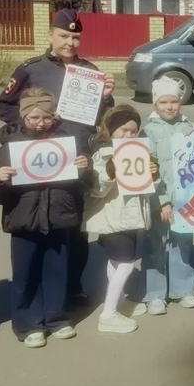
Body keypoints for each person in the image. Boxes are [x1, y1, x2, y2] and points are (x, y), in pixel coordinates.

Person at [0, 8, 116, 310]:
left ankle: (72, 289)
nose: (70, 43)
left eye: (76, 37)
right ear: (51, 35)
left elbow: (103, 118)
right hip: (38, 158)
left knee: (75, 229)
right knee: (39, 229)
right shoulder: (31, 68)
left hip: (75, 159)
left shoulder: (89, 71)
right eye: (64, 36)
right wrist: (26, 128)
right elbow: (3, 105)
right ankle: (37, 295)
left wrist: (107, 97)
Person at [0, 88, 90, 348]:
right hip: (24, 221)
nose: (40, 122)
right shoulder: (9, 147)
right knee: (25, 275)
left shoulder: (66, 142)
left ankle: (56, 318)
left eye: (45, 117)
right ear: (23, 116)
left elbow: (84, 187)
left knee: (57, 272)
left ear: (53, 116)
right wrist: (0, 180)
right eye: (33, 117)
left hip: (59, 218)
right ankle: (28, 323)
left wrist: (84, 169)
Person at [85, 105, 153, 333]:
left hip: (131, 217)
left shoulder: (138, 150)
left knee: (115, 262)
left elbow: (141, 182)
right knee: (125, 264)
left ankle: (118, 302)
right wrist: (110, 171)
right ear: (112, 129)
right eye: (124, 130)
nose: (129, 135)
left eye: (134, 131)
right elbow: (96, 190)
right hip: (113, 219)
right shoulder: (102, 152)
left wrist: (153, 171)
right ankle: (108, 315)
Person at [140, 77, 194, 315]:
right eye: (163, 102)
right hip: (160, 199)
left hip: (185, 199)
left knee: (183, 243)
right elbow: (149, 169)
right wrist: (162, 201)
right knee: (157, 244)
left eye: (173, 101)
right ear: (155, 104)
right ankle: (155, 294)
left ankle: (183, 289)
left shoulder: (190, 127)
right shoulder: (149, 131)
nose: (169, 106)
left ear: (180, 103)